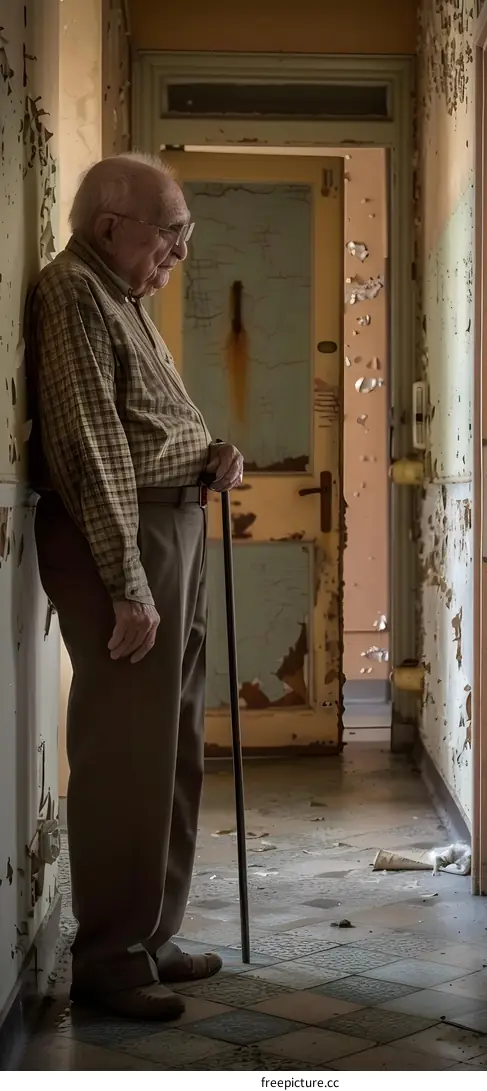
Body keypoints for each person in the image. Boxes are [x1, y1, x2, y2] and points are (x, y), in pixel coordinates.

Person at [25, 152, 243, 1021]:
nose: (180, 251)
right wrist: (127, 583)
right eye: (171, 232)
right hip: (127, 537)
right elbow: (91, 447)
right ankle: (109, 955)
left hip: (172, 524)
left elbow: (148, 426)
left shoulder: (123, 297)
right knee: (126, 750)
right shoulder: (73, 292)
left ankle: (151, 932)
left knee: (175, 741)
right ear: (111, 226)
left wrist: (208, 455)